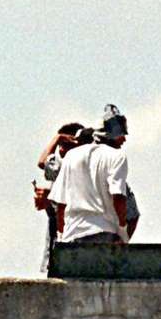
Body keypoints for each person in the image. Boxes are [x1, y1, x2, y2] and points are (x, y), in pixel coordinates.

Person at [49, 104, 137, 245]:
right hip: (104, 234)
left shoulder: (71, 156)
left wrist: (60, 235)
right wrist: (122, 232)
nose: (123, 140)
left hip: (72, 236)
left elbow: (61, 204)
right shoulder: (116, 156)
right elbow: (119, 198)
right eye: (121, 136)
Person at [34, 122, 90, 270]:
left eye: (66, 145)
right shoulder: (66, 167)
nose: (62, 150)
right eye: (61, 146)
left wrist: (57, 138)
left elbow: (42, 162)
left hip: (71, 238)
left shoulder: (69, 167)